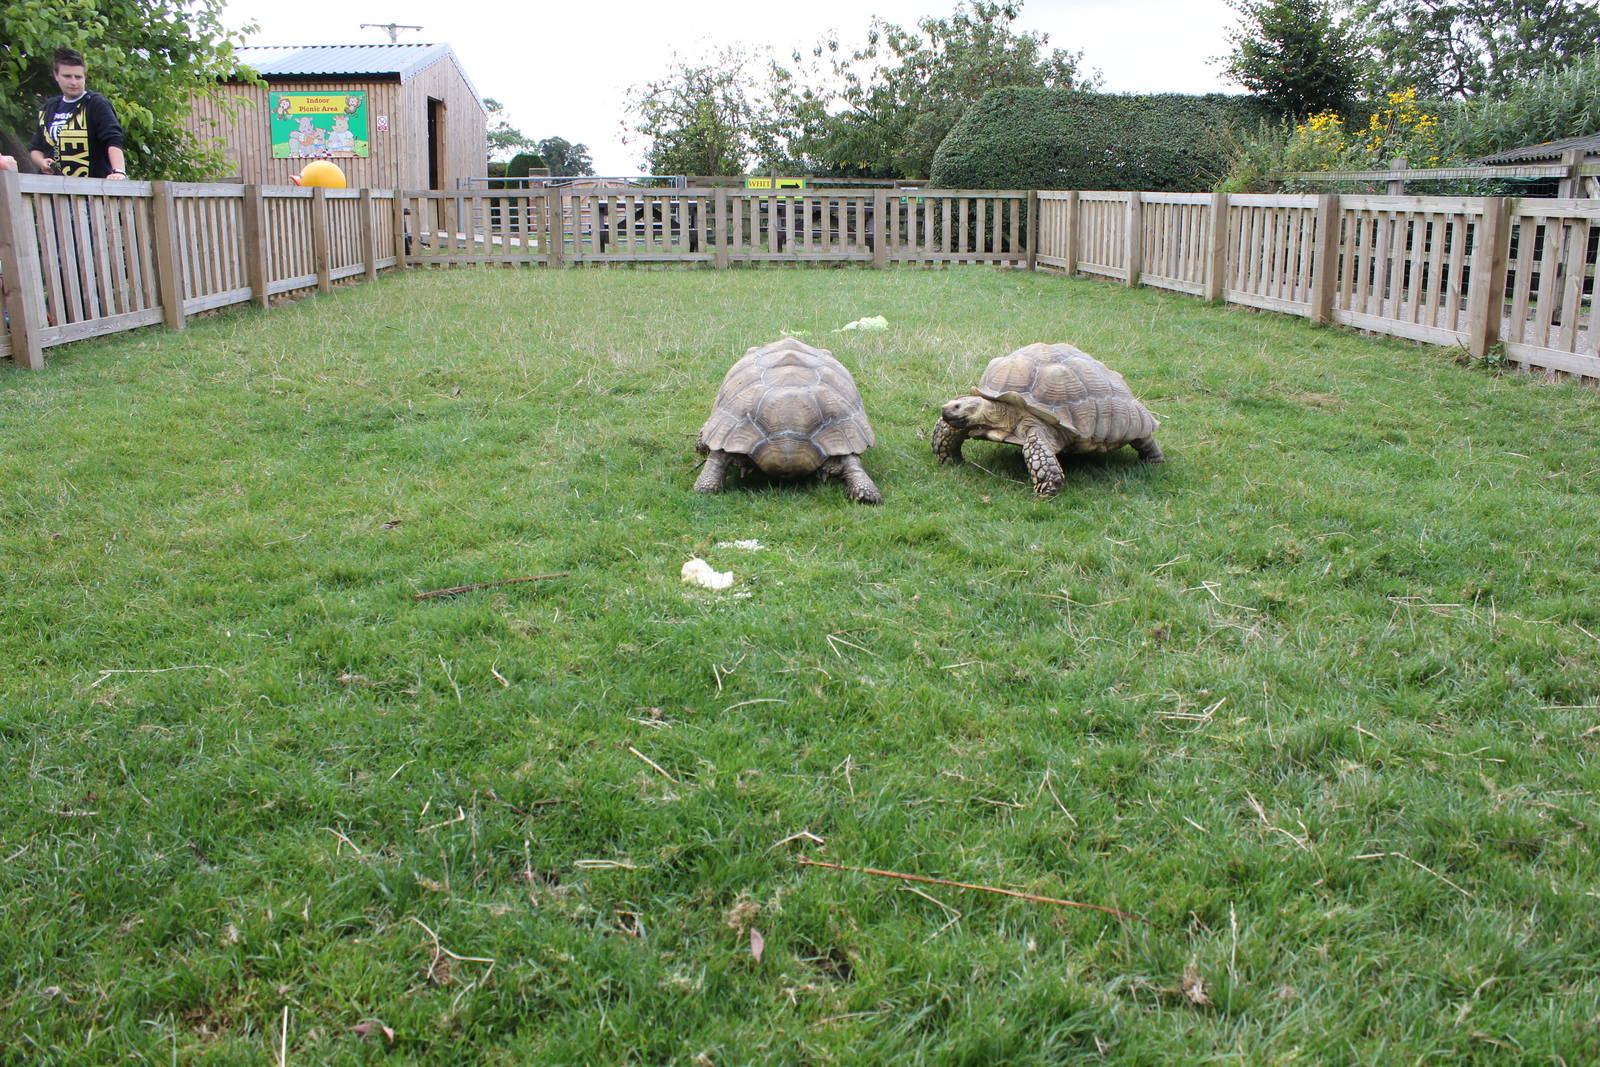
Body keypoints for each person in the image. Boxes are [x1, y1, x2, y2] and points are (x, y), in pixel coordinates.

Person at [30, 47, 126, 180]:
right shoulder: (48, 108)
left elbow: (113, 139)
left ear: (85, 77)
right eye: (67, 76)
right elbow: (36, 147)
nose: (73, 82)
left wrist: (118, 171)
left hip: (92, 188)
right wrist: (41, 162)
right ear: (56, 75)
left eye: (78, 77)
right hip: (54, 188)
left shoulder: (96, 104)